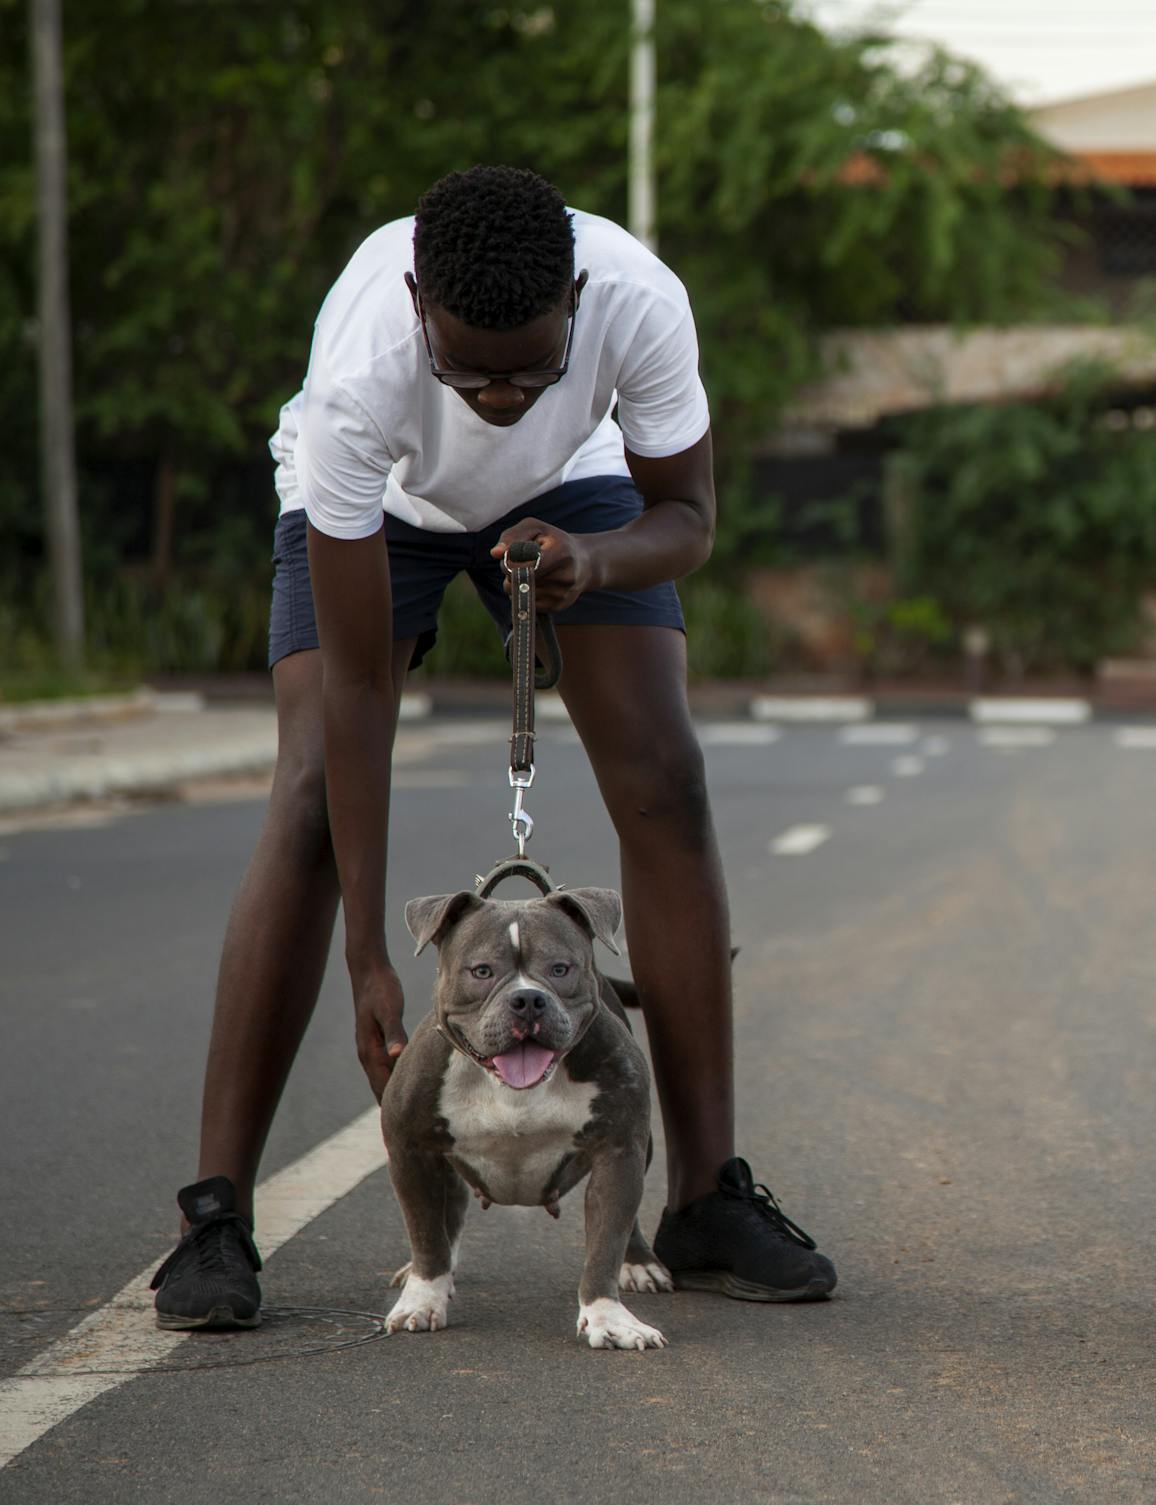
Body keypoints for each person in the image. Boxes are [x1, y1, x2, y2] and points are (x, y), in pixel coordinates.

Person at [152, 165, 834, 1329]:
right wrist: (371, 951)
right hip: (384, 512)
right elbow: (364, 685)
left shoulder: (639, 299)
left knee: (668, 777)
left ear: (576, 296)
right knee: (313, 790)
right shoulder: (360, 375)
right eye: (471, 371)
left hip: (579, 496)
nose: (504, 395)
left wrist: (595, 560)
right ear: (419, 303)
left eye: (535, 365)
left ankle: (708, 1194)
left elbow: (690, 519)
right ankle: (216, 1218)